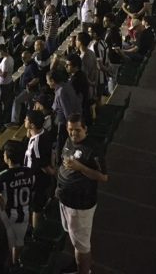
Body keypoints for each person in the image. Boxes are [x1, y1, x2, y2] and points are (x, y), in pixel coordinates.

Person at [56, 114, 108, 274]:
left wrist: (81, 168)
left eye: (77, 130)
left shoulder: (92, 149)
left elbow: (103, 177)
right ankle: (76, 265)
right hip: (65, 199)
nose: (73, 134)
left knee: (82, 245)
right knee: (73, 237)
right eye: (70, 130)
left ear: (85, 129)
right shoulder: (68, 141)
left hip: (80, 205)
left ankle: (84, 271)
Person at [0, 140, 36, 264]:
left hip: (7, 216)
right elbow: (32, 192)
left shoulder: (2, 176)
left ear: (8, 157)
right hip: (24, 213)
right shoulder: (30, 172)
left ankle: (6, 265)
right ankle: (15, 263)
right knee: (19, 242)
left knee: (5, 244)